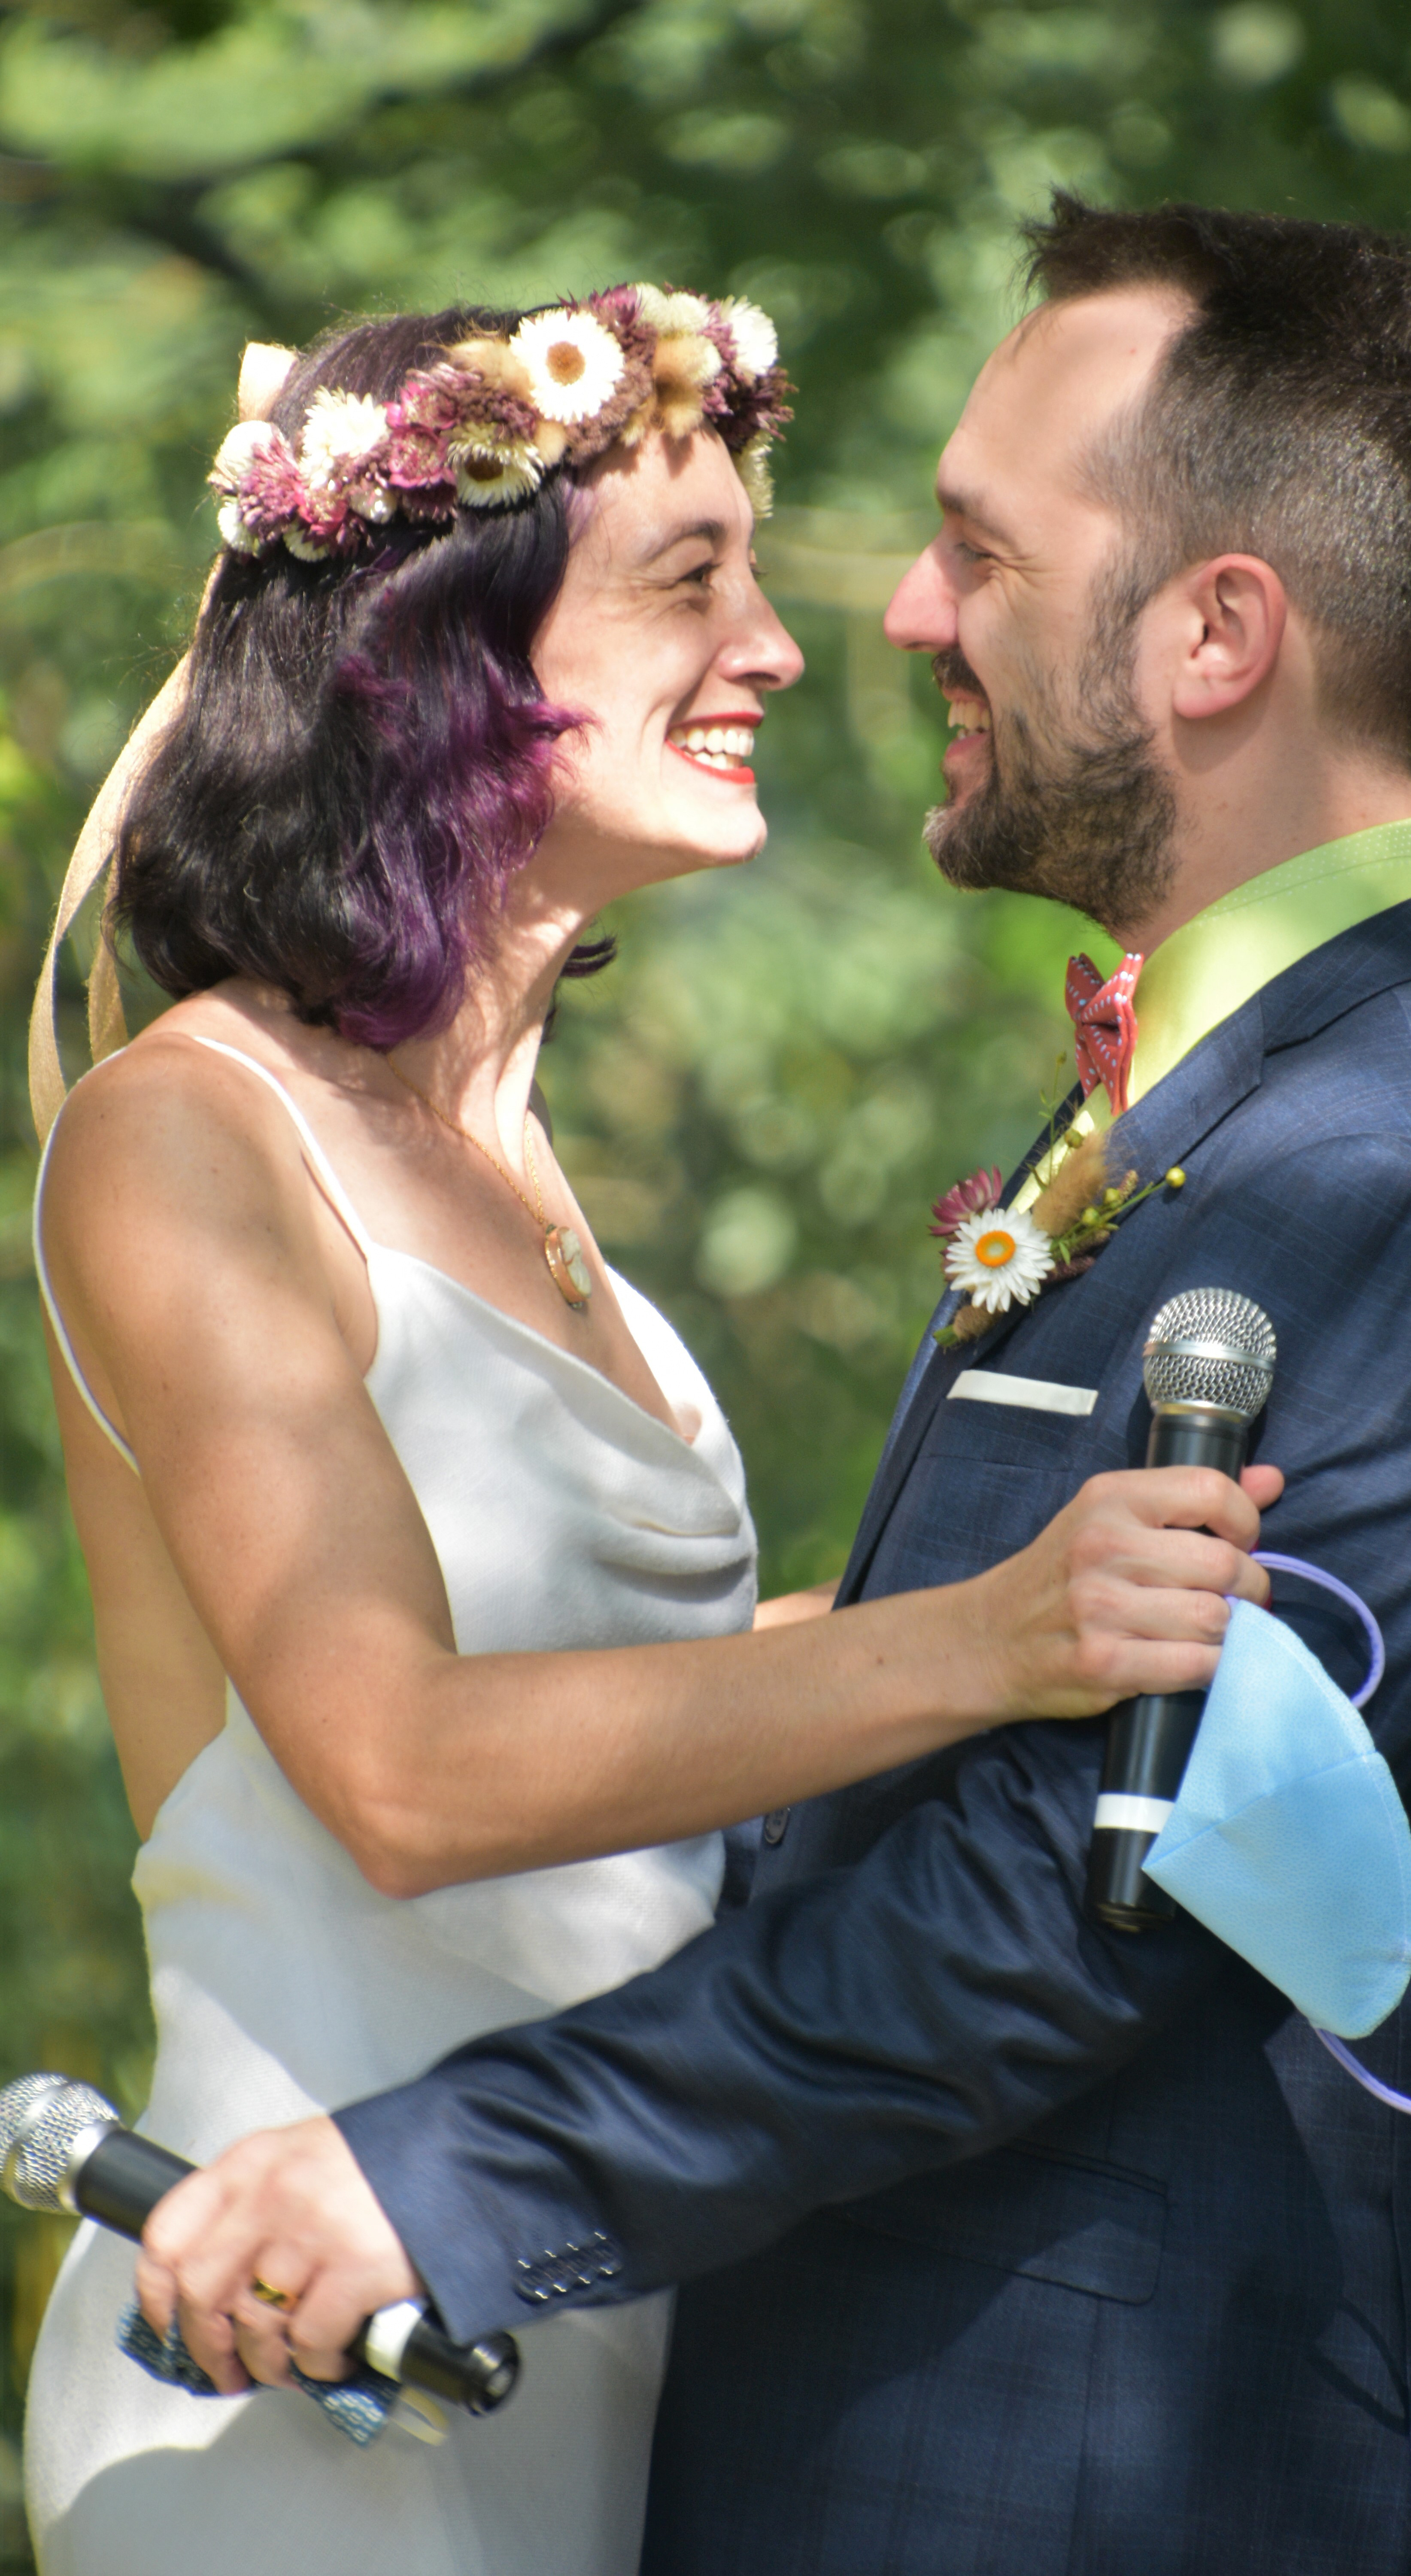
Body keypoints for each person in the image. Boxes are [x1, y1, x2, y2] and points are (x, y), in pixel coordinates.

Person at [142, 199, 1411, 2574]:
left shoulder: (1401, 1187)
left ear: (1216, 635)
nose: (905, 616)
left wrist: (449, 2174)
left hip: (1128, 2493)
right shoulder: (1209, 1126)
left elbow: (1060, 1903)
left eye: (979, 553)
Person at [21, 279, 1278, 2576]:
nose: (784, 649)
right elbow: (400, 1771)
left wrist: (1086, 1575)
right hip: (308, 2378)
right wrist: (990, 1642)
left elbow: (655, 1718)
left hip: (599, 2331)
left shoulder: (517, 1158)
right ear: (438, 652)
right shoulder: (185, 1136)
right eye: (692, 577)